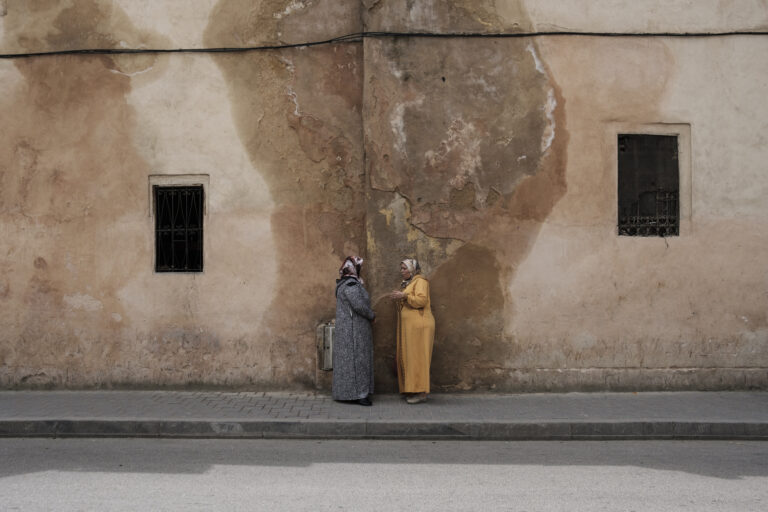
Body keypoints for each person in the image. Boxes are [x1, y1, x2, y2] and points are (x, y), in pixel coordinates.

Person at [388, 258, 435, 404]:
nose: (401, 271)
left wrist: (404, 295)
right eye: (401, 268)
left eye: (404, 268)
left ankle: (421, 393)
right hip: (411, 328)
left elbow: (421, 300)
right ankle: (412, 389)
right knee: (411, 358)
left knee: (419, 358)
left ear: (412, 269)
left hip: (420, 326)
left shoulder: (421, 281)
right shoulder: (409, 283)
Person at [333, 256, 376, 406]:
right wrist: (371, 315)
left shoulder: (343, 283)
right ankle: (360, 395)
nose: (360, 269)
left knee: (349, 362)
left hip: (349, 329)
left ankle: (348, 393)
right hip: (354, 330)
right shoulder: (351, 284)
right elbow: (359, 306)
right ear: (354, 268)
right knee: (358, 361)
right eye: (358, 267)